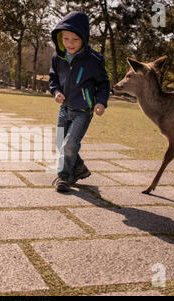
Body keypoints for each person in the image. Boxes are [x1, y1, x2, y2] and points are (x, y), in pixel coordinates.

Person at [49, 12, 111, 192]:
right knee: (60, 142)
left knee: (70, 144)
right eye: (66, 38)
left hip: (83, 111)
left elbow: (104, 83)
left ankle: (65, 176)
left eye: (74, 39)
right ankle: (80, 168)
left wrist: (101, 102)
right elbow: (53, 78)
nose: (69, 43)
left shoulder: (94, 60)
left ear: (84, 38)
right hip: (64, 108)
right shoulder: (57, 56)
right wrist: (56, 91)